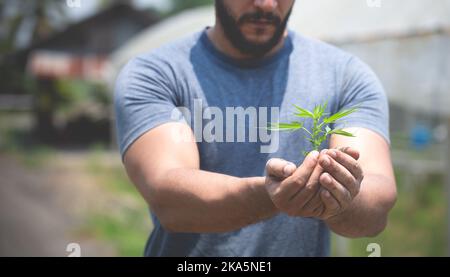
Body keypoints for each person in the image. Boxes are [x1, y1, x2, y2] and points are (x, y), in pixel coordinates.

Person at [114, 0, 397, 257]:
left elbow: (377, 202)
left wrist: (341, 196)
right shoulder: (156, 74)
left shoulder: (346, 76)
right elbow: (169, 199)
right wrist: (272, 195)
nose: (266, 5)